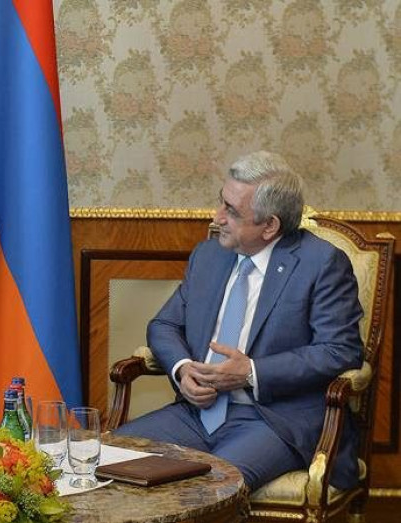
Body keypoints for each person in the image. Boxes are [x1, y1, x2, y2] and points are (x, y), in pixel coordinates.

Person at [114, 151, 363, 492]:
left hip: (272, 421)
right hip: (196, 413)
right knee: (109, 460)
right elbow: (164, 325)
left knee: (212, 490)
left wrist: (251, 372)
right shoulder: (209, 255)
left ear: (270, 225)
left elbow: (339, 350)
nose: (216, 217)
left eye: (231, 211)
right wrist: (183, 369)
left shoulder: (321, 264)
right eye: (221, 202)